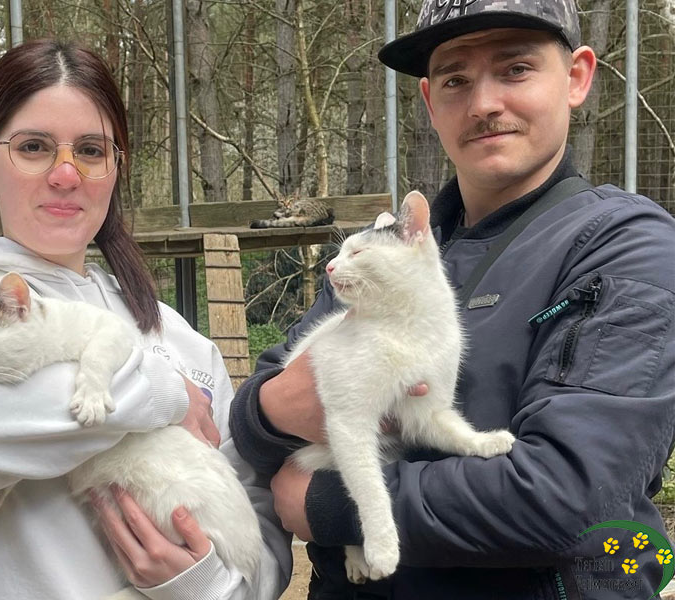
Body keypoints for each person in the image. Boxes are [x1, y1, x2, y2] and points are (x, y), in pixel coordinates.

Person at [229, 1, 675, 598]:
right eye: (456, 80)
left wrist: (331, 504)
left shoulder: (625, 247)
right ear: (429, 102)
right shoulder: (384, 254)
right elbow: (260, 405)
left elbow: (571, 495)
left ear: (576, 77)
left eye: (515, 69)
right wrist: (271, 409)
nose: (483, 103)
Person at [0, 39, 291, 600]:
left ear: (116, 168)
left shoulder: (181, 341)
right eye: (34, 147)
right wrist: (162, 395)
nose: (66, 175)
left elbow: (259, 554)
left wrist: (203, 585)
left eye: (91, 151)